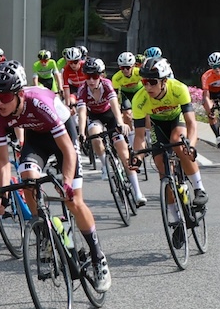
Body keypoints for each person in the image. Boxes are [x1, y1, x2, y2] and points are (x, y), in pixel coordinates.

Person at [0, 61, 112, 292]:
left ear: (18, 94)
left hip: (62, 135)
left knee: (73, 200)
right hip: (36, 139)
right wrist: (2, 193)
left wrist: (65, 182)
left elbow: (66, 150)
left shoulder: (39, 103)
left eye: (4, 98)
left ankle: (98, 258)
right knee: (28, 180)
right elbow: (3, 161)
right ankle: (45, 236)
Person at [130, 57, 208, 247]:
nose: (148, 86)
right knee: (162, 167)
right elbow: (140, 136)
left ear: (164, 81)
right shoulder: (139, 100)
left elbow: (191, 124)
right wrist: (137, 158)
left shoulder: (178, 88)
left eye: (153, 82)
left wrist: (192, 145)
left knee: (177, 143)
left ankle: (199, 188)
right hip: (158, 126)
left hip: (177, 120)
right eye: (144, 82)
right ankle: (175, 222)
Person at [73, 57, 146, 207]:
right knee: (94, 134)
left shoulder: (107, 85)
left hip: (111, 116)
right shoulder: (82, 90)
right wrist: (81, 132)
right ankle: (105, 164)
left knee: (124, 153)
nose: (91, 80)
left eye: (95, 77)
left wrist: (120, 122)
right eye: (88, 77)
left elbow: (114, 105)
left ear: (101, 76)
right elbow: (81, 113)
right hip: (95, 117)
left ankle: (138, 192)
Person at [111, 51, 143, 130]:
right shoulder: (116, 78)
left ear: (133, 66)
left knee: (145, 113)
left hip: (139, 92)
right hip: (126, 94)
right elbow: (114, 94)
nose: (125, 70)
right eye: (122, 68)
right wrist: (117, 104)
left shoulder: (139, 72)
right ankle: (131, 135)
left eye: (128, 67)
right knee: (127, 115)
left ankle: (148, 134)